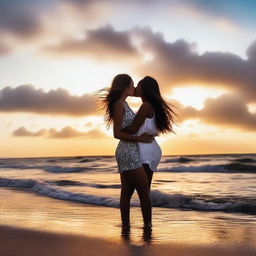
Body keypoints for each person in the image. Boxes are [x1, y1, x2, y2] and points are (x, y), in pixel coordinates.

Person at [100, 74, 154, 231]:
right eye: (131, 85)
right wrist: (140, 139)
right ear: (124, 87)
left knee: (127, 191)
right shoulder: (119, 105)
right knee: (144, 191)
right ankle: (148, 227)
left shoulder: (124, 104)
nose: (134, 88)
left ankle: (125, 226)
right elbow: (117, 134)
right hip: (127, 151)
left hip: (129, 150)